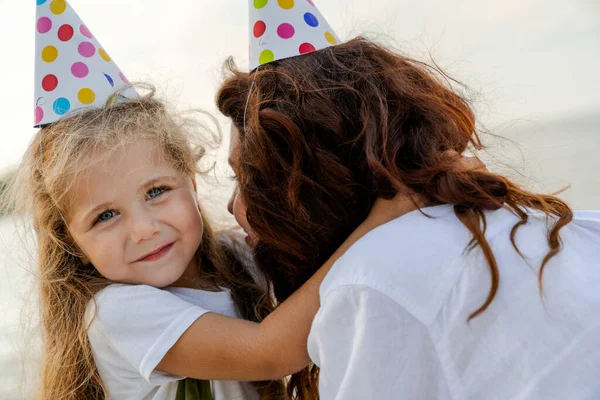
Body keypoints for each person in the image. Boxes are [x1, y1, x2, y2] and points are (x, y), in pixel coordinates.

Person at [216, 2, 600, 398]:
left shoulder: (368, 288)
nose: (232, 206)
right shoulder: (555, 226)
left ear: (308, 185)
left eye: (245, 177)